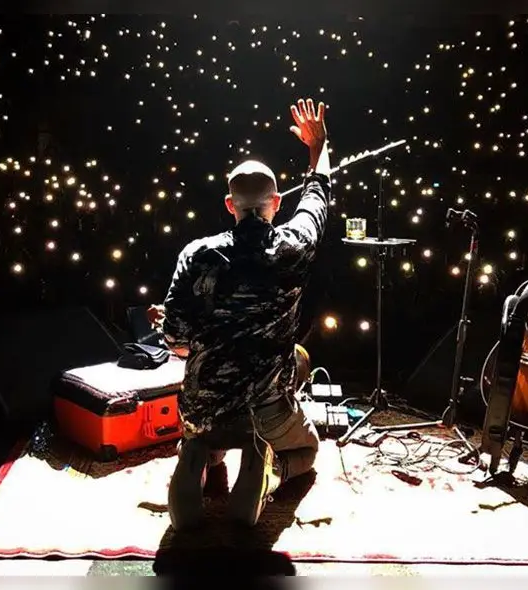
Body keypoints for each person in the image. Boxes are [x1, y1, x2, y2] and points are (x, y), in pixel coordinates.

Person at [147, 97, 332, 530]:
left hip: (202, 405)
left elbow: (174, 341)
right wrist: (318, 144)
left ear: (230, 205)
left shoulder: (196, 254)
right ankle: (269, 469)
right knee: (308, 452)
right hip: (265, 409)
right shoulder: (295, 245)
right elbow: (319, 191)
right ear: (276, 204)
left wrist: (178, 330)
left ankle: (204, 456)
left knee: (203, 421)